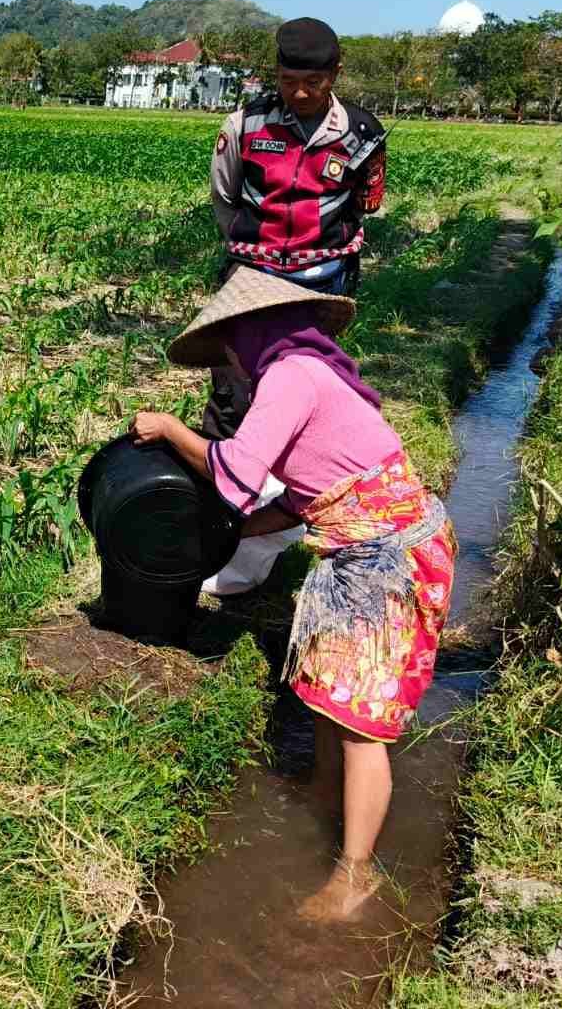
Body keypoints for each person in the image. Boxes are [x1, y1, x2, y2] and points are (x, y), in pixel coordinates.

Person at [131, 265, 456, 922]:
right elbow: (308, 493)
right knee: (330, 696)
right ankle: (322, 800)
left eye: (228, 346)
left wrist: (169, 429)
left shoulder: (288, 377)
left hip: (390, 560)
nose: (227, 362)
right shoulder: (309, 370)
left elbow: (235, 474)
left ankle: (354, 878)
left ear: (251, 332)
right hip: (360, 548)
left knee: (362, 720)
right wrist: (235, 533)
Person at [199, 17, 391, 592]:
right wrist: (254, 256)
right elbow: (225, 198)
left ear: (335, 74)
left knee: (303, 402)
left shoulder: (363, 132)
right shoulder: (245, 124)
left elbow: (366, 202)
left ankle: (274, 533)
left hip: (320, 287)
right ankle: (222, 531)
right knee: (233, 400)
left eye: (312, 82)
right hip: (253, 284)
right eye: (288, 81)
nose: (300, 93)